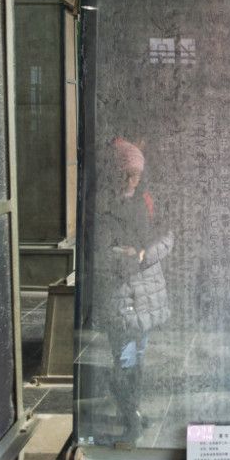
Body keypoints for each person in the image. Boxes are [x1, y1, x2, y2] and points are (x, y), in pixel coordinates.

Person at [97, 137, 173, 443]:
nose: (133, 181)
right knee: (125, 357)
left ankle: (132, 411)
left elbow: (167, 238)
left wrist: (142, 254)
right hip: (120, 291)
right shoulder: (103, 204)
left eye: (137, 175)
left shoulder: (148, 201)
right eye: (128, 174)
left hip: (148, 289)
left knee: (139, 354)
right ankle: (130, 419)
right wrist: (118, 255)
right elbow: (97, 247)